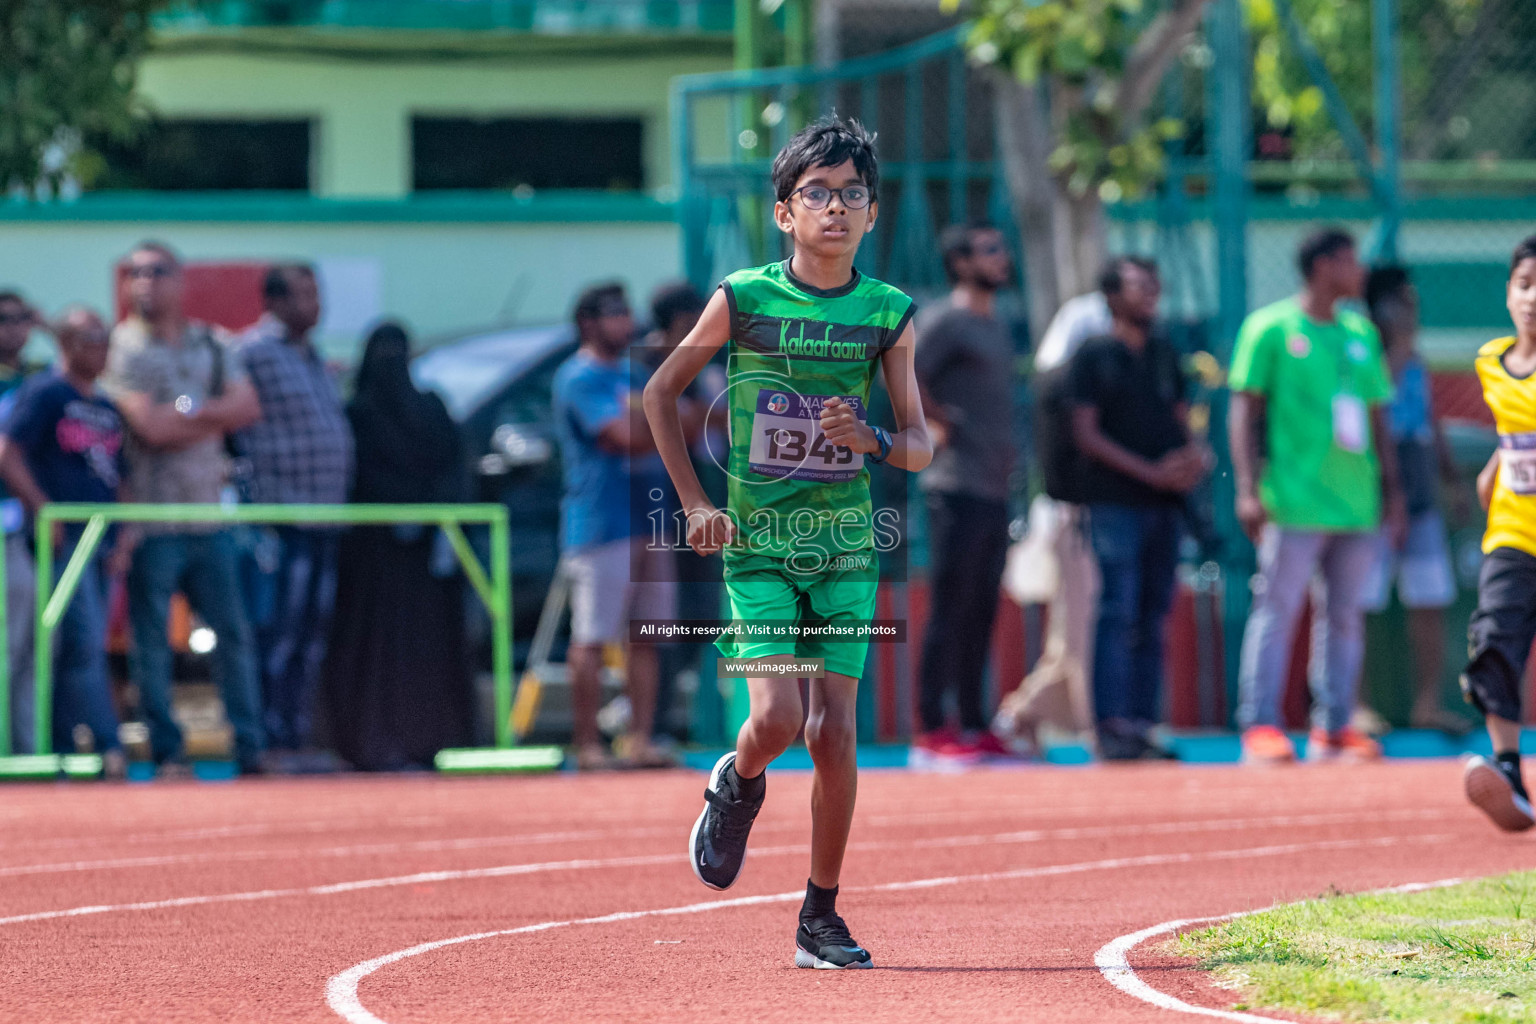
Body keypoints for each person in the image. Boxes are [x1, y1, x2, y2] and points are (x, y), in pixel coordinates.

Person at [644, 116, 931, 969]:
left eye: (851, 195)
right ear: (784, 212)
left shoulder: (889, 314)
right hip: (759, 543)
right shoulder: (744, 298)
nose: (835, 209)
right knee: (772, 719)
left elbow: (921, 443)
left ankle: (820, 916)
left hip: (845, 542)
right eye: (817, 194)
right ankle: (736, 783)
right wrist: (697, 503)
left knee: (832, 732)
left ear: (872, 215)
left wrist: (871, 439)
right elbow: (663, 395)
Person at [1228, 227, 1404, 765]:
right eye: (1351, 261)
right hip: (1294, 501)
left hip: (1356, 502)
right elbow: (1243, 411)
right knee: (1277, 610)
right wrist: (1247, 488)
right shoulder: (1269, 328)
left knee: (1345, 615)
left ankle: (1333, 725)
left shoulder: (1361, 333)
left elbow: (1378, 417)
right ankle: (1261, 724)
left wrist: (1392, 492)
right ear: (1324, 266)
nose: (1361, 271)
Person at [107, 241, 266, 776]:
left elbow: (247, 406)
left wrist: (185, 412)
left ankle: (250, 745)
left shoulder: (210, 342)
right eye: (135, 273)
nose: (144, 282)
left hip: (208, 515)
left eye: (156, 272)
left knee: (234, 635)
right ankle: (167, 749)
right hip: (152, 520)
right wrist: (203, 412)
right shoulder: (121, 348)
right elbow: (148, 427)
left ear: (179, 279)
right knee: (153, 645)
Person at [1070, 258, 1206, 759]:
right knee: (1117, 610)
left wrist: (1193, 456)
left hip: (1164, 505)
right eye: (1139, 285)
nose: (1152, 293)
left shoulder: (1166, 352)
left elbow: (1180, 418)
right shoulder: (1094, 355)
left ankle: (1143, 724)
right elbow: (1085, 433)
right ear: (1111, 296)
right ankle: (1111, 727)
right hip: (1114, 503)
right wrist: (1148, 472)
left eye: (1155, 284)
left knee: (1153, 613)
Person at [322, 322, 474, 770]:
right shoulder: (390, 411)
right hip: (388, 555)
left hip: (403, 554)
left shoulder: (372, 411)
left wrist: (418, 514)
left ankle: (402, 739)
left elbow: (451, 469)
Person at [552, 282, 681, 770]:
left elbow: (691, 426)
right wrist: (663, 421)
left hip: (649, 520)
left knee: (646, 635)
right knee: (591, 638)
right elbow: (622, 436)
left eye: (628, 312)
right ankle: (587, 744)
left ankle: (638, 739)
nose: (626, 322)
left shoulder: (637, 373)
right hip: (600, 524)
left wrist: (659, 420)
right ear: (587, 322)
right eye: (614, 314)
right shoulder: (578, 378)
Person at [0, 308, 129, 776]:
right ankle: (106, 746)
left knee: (82, 644)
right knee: (75, 641)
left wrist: (127, 535)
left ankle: (67, 745)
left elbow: (123, 478)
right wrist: (42, 510)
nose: (101, 347)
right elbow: (8, 453)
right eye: (91, 338)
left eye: (105, 338)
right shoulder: (47, 392)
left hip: (102, 541)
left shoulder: (107, 406)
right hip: (61, 540)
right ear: (68, 343)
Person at [236, 263, 354, 757]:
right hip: (281, 518)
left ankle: (297, 735)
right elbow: (195, 397)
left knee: (311, 636)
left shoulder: (312, 356)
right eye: (305, 295)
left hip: (327, 515)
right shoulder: (250, 351)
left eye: (317, 293)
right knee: (277, 635)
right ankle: (268, 739)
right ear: (276, 301)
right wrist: (183, 409)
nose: (316, 305)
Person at [912, 222, 1017, 762]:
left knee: (982, 609)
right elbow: (901, 369)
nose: (1003, 258)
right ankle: (932, 727)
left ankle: (974, 724)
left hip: (994, 489)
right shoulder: (945, 320)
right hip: (953, 485)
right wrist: (932, 419)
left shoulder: (994, 325)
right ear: (960, 263)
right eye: (991, 250)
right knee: (950, 608)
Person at [991, 284, 1111, 751]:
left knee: (1075, 635)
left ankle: (1024, 715)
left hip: (1089, 516)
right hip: (1072, 515)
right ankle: (1089, 727)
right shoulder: (1060, 390)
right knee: (1082, 629)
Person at [1359, 265, 1469, 734]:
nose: (1412, 312)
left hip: (1422, 493)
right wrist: (1398, 347)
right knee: (1361, 602)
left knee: (1431, 598)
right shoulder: (1362, 351)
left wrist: (1451, 477)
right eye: (1403, 302)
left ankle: (1428, 703)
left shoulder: (1416, 358)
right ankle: (1355, 705)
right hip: (1373, 497)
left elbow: (1429, 418)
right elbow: (1375, 407)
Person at [1460, 236, 1536, 832]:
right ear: (1509, 292)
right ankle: (1508, 772)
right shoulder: (1491, 361)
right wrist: (1493, 471)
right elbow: (1515, 432)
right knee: (1494, 639)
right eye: (1525, 284)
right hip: (1511, 529)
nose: (1533, 299)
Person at [0, 290, 40, 754]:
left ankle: (27, 751)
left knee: (32, 650)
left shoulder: (37, 378)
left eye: (21, 318)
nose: (13, 327)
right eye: (3, 319)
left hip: (23, 531)